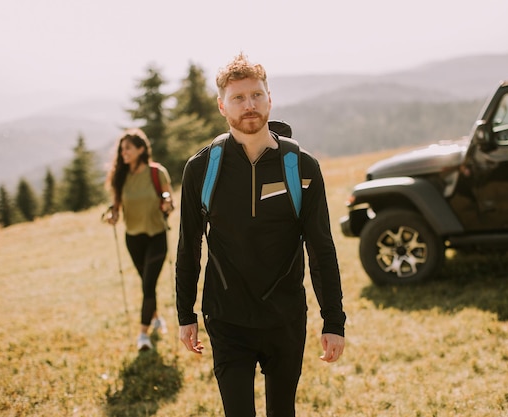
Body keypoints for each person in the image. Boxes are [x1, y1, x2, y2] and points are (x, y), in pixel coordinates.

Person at [175, 53, 346, 416]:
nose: (249, 105)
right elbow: (189, 245)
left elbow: (321, 249)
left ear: (270, 99)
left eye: (256, 95)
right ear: (222, 106)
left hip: (284, 318)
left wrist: (333, 320)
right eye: (238, 98)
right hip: (226, 318)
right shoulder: (201, 169)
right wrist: (184, 313)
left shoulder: (301, 167)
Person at [105, 128, 174, 351]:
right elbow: (115, 208)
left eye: (128, 148)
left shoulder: (157, 172)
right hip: (133, 238)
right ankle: (156, 318)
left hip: (157, 236)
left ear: (141, 149)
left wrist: (167, 204)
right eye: (121, 149)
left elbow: (169, 201)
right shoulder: (121, 177)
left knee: (148, 285)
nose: (123, 153)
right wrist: (112, 215)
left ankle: (143, 336)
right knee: (147, 285)